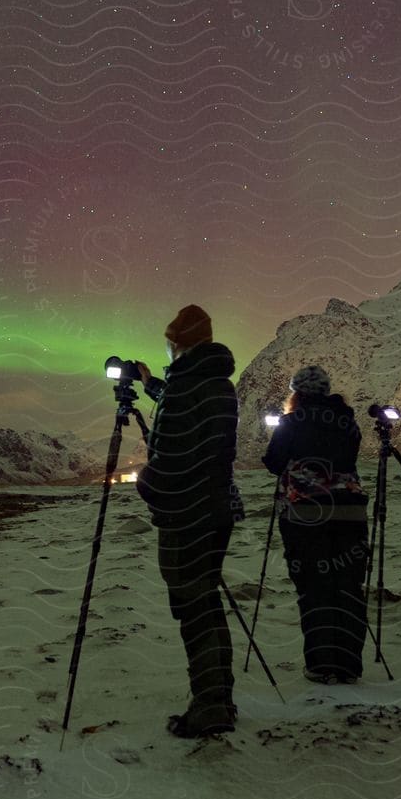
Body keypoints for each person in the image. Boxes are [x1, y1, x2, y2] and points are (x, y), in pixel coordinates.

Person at [133, 304, 240, 737]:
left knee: (193, 608)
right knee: (207, 603)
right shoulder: (217, 383)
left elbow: (174, 455)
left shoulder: (185, 386)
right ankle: (220, 697)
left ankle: (210, 706)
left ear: (178, 343)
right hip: (216, 510)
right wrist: (150, 385)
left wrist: (146, 483)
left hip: (186, 516)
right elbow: (192, 423)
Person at [260, 365, 369, 685]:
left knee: (314, 586)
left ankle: (322, 664)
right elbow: (348, 458)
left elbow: (273, 462)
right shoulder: (348, 422)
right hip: (350, 511)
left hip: (306, 513)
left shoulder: (291, 422)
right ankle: (349, 664)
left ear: (297, 393)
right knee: (348, 585)